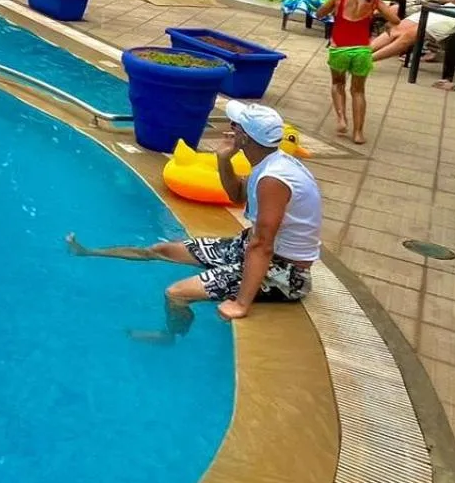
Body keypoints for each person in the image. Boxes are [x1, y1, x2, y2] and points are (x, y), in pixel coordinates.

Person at [67, 101, 321, 341]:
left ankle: (169, 338)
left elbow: (263, 244)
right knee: (160, 250)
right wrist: (224, 159)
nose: (230, 128)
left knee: (175, 294)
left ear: (245, 137)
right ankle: (89, 252)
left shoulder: (274, 179)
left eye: (235, 126)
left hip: (285, 272)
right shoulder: (269, 163)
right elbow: (237, 195)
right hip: (252, 248)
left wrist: (241, 304)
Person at [318, 0, 394, 142]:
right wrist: (379, 17)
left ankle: (341, 119)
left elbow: (320, 13)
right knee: (358, 92)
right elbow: (395, 19)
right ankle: (358, 133)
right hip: (362, 50)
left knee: (338, 84)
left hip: (340, 49)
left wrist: (332, 10)